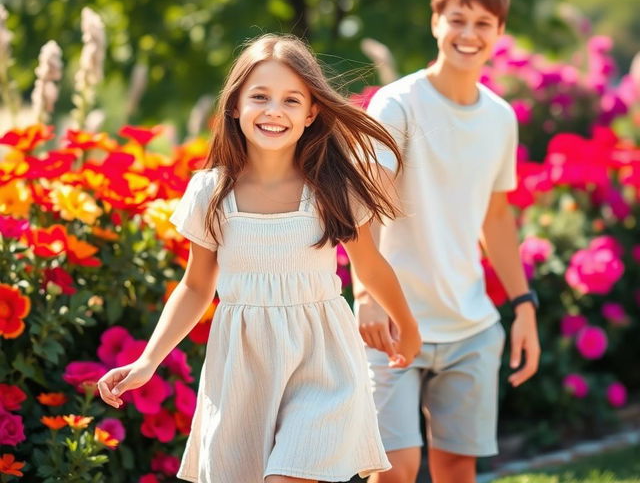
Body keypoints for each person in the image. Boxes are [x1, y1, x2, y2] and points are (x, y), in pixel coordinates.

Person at [97, 34, 422, 483]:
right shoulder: (211, 193)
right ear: (234, 106)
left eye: (292, 100)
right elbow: (196, 286)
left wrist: (407, 324)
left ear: (311, 113)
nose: (274, 110)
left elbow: (370, 265)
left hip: (323, 366)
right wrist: (147, 361)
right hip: (241, 372)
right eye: (260, 97)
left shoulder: (331, 189)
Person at [354, 0, 541, 483]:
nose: (468, 33)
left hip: (472, 327)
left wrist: (524, 305)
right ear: (435, 22)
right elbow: (362, 205)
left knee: (458, 468)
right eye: (457, 19)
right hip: (393, 321)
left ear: (499, 34)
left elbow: (496, 217)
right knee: (394, 470)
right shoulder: (398, 103)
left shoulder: (501, 117)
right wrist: (367, 297)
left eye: (483, 23)